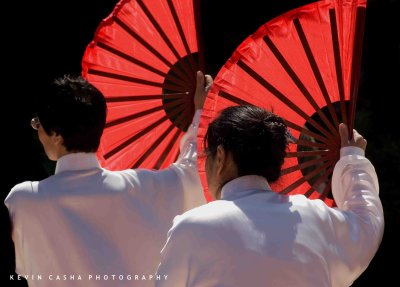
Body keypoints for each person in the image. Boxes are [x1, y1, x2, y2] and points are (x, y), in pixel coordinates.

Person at [4, 71, 212, 287]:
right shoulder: (140, 186)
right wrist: (201, 112)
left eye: (38, 124)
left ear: (56, 134)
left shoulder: (24, 200)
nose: (38, 131)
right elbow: (193, 172)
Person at [155, 105, 384, 287]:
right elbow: (367, 222)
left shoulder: (192, 227)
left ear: (222, 156)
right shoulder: (315, 217)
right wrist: (353, 161)